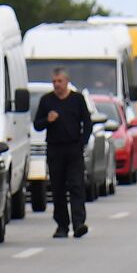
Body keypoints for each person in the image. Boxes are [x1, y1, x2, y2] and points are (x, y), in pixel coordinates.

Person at [31, 68, 91, 238]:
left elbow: (86, 122)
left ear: (66, 82)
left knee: (76, 186)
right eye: (54, 82)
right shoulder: (47, 101)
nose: (57, 85)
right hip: (55, 149)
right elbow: (37, 124)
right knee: (58, 188)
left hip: (73, 149)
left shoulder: (77, 99)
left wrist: (82, 142)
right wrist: (47, 120)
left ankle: (79, 223)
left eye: (60, 81)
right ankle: (62, 225)